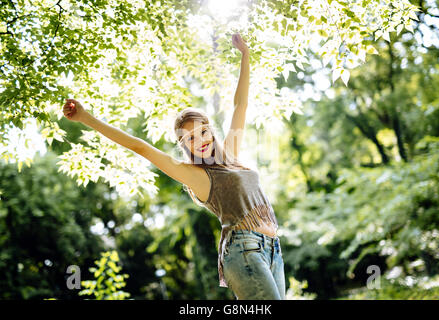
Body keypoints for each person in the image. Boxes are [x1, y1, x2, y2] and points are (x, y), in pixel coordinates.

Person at [62, 33, 285, 300]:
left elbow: (240, 105)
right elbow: (140, 147)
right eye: (188, 139)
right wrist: (87, 118)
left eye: (201, 132)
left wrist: (245, 55)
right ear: (184, 146)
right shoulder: (196, 176)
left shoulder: (230, 155)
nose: (198, 141)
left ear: (210, 130)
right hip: (244, 250)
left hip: (273, 247)